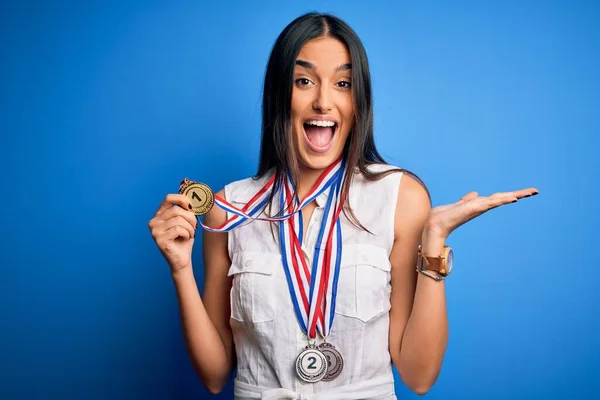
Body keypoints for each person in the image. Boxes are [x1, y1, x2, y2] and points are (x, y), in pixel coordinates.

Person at [148, 12, 538, 399]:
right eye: (303, 81)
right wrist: (181, 269)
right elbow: (215, 375)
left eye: (343, 83)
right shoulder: (228, 207)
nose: (323, 101)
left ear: (359, 101)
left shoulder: (400, 197)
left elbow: (419, 376)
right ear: (279, 94)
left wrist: (433, 244)